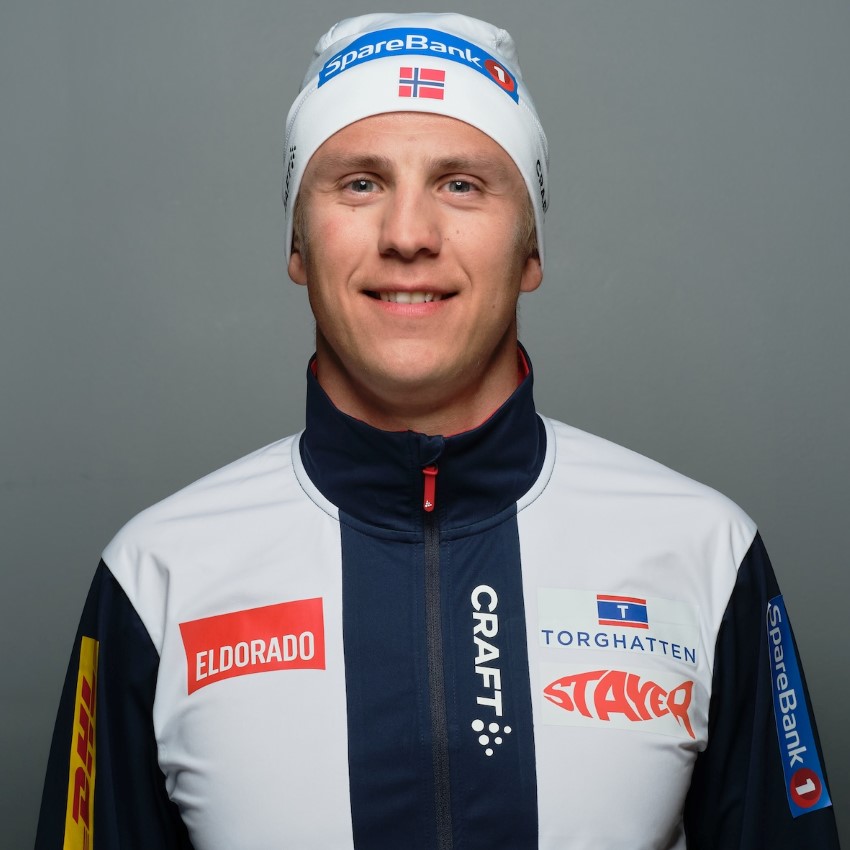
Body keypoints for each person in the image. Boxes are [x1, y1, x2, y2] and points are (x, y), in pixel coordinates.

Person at [36, 12, 839, 850]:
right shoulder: (155, 578)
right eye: (360, 184)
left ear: (530, 250)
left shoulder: (706, 555)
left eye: (461, 185)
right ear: (298, 246)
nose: (408, 236)